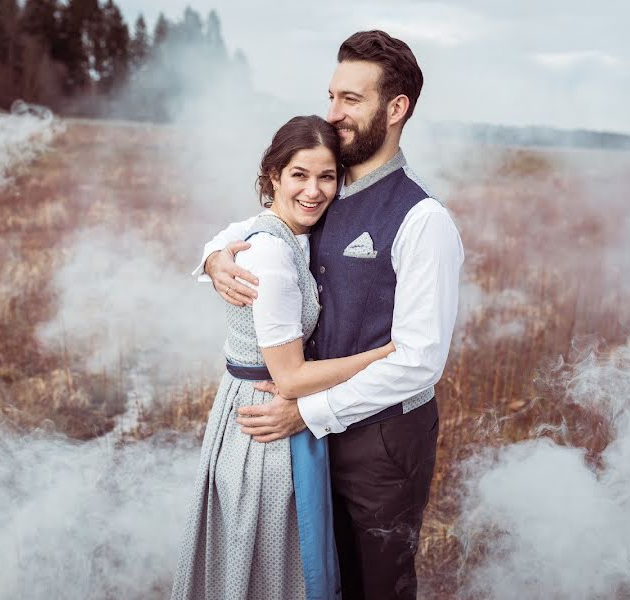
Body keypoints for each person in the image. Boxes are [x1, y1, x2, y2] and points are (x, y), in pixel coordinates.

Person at [196, 31, 464, 599]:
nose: (333, 114)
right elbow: (261, 225)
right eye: (332, 96)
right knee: (317, 578)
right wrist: (215, 256)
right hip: (312, 431)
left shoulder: (423, 221)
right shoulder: (326, 188)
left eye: (351, 100)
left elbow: (419, 362)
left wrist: (310, 411)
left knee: (376, 585)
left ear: (396, 110)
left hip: (382, 442)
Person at [172, 115, 398, 600]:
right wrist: (382, 355)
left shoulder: (293, 231)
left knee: (267, 567)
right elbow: (291, 378)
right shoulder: (272, 256)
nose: (314, 190)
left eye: (327, 176)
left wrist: (214, 256)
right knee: (272, 568)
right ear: (273, 175)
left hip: (261, 413)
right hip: (265, 428)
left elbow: (237, 232)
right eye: (299, 174)